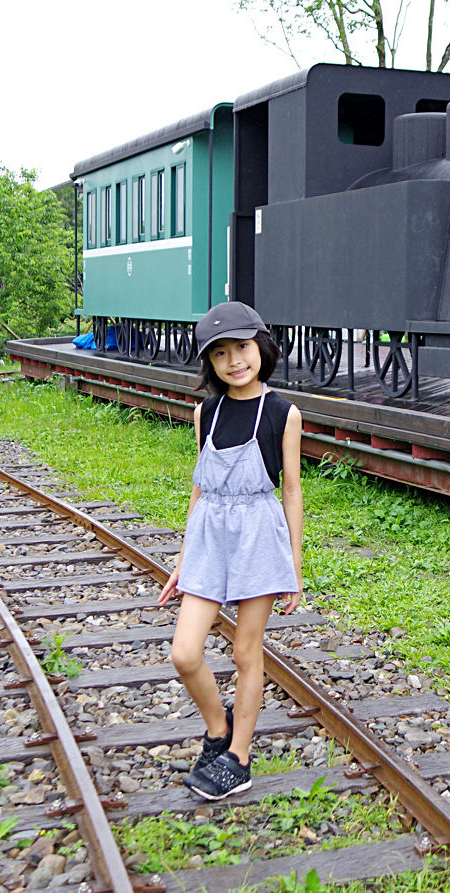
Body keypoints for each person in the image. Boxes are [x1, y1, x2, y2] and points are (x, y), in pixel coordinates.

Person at [157, 301, 304, 800]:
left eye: (241, 348)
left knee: (246, 652)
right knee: (184, 653)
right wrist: (182, 561)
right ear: (210, 364)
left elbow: (291, 492)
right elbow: (199, 487)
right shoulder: (207, 411)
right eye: (219, 354)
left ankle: (238, 756)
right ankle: (217, 729)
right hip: (209, 536)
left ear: (260, 345)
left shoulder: (284, 413)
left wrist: (294, 568)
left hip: (259, 539)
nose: (233, 361)